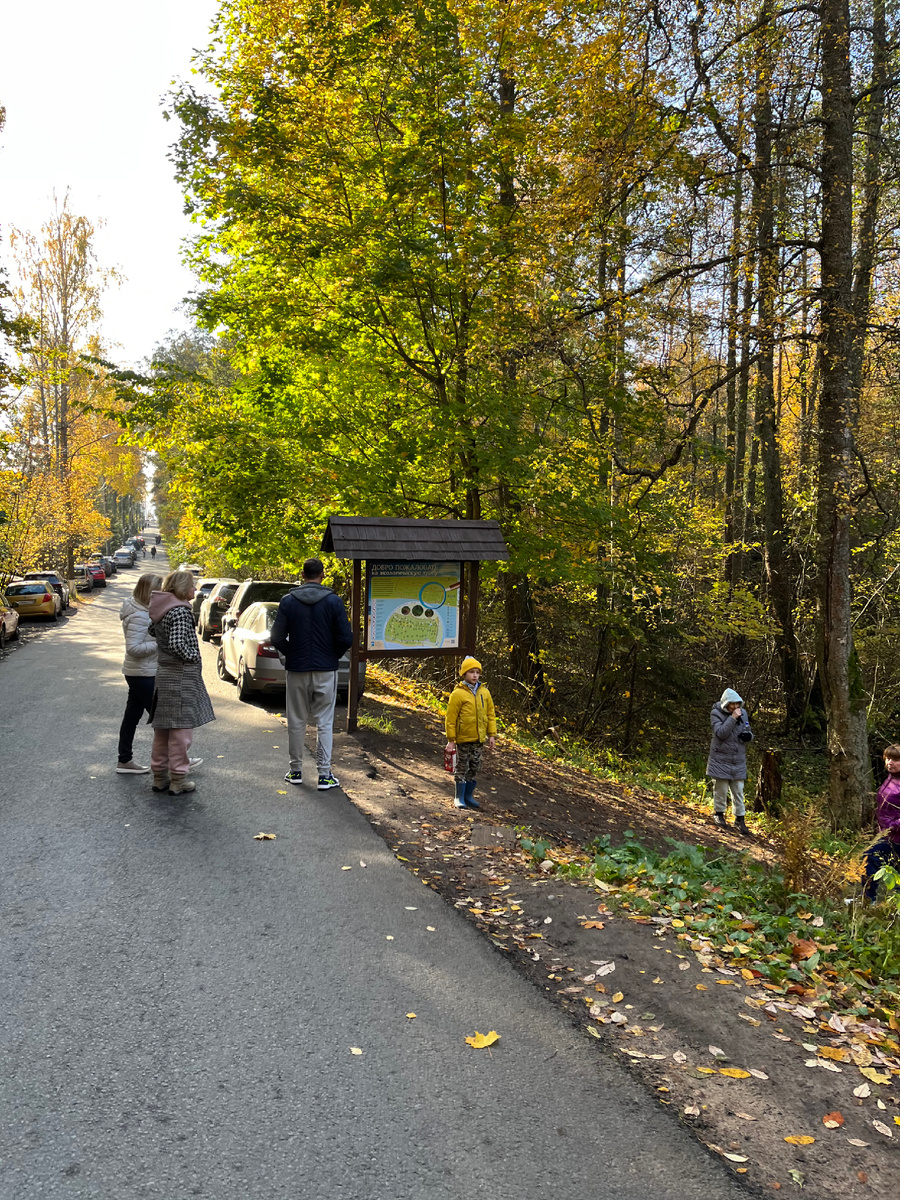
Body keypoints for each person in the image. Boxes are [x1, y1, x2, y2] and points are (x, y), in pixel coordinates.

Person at [271, 557, 353, 790]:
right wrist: (332, 656)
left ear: (303, 574)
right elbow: (346, 638)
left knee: (296, 720)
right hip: (326, 670)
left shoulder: (288, 601)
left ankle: (295, 771)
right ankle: (324, 775)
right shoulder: (334, 602)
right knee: (325, 721)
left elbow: (276, 637)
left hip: (297, 669)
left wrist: (292, 654)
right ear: (322, 574)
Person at [148, 569, 215, 795]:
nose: (195, 590)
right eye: (192, 586)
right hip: (180, 677)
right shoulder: (179, 611)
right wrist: (193, 657)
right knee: (181, 731)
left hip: (164, 675)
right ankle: (178, 779)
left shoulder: (162, 608)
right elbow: (177, 644)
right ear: (182, 587)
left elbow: (153, 631)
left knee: (163, 729)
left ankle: (159, 776)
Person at [116, 573, 163, 774]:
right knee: (163, 718)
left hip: (139, 672)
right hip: (142, 674)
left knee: (131, 717)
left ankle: (124, 761)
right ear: (149, 592)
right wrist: (160, 642)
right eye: (158, 590)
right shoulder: (139, 615)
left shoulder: (142, 610)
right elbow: (133, 648)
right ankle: (177, 759)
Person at [444, 656, 497, 810]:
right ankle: (458, 796)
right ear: (464, 674)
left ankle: (468, 795)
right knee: (461, 766)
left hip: (479, 738)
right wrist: (451, 739)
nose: (475, 675)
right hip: (462, 738)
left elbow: (490, 714)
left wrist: (491, 735)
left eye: (477, 672)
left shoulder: (484, 692)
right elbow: (451, 718)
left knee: (475, 766)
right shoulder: (458, 694)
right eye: (471, 672)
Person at [706, 687, 753, 835]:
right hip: (720, 758)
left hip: (737, 759)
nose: (736, 707)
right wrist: (732, 718)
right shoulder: (716, 713)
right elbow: (720, 733)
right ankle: (718, 813)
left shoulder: (743, 713)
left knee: (738, 789)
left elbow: (748, 730)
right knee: (721, 788)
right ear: (726, 704)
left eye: (738, 704)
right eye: (732, 704)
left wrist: (749, 736)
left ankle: (740, 818)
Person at [863, 745, 900, 902]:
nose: (890, 763)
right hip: (887, 835)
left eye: (895, 759)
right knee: (869, 859)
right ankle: (867, 901)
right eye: (888, 759)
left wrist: (893, 825)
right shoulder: (891, 778)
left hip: (896, 836)